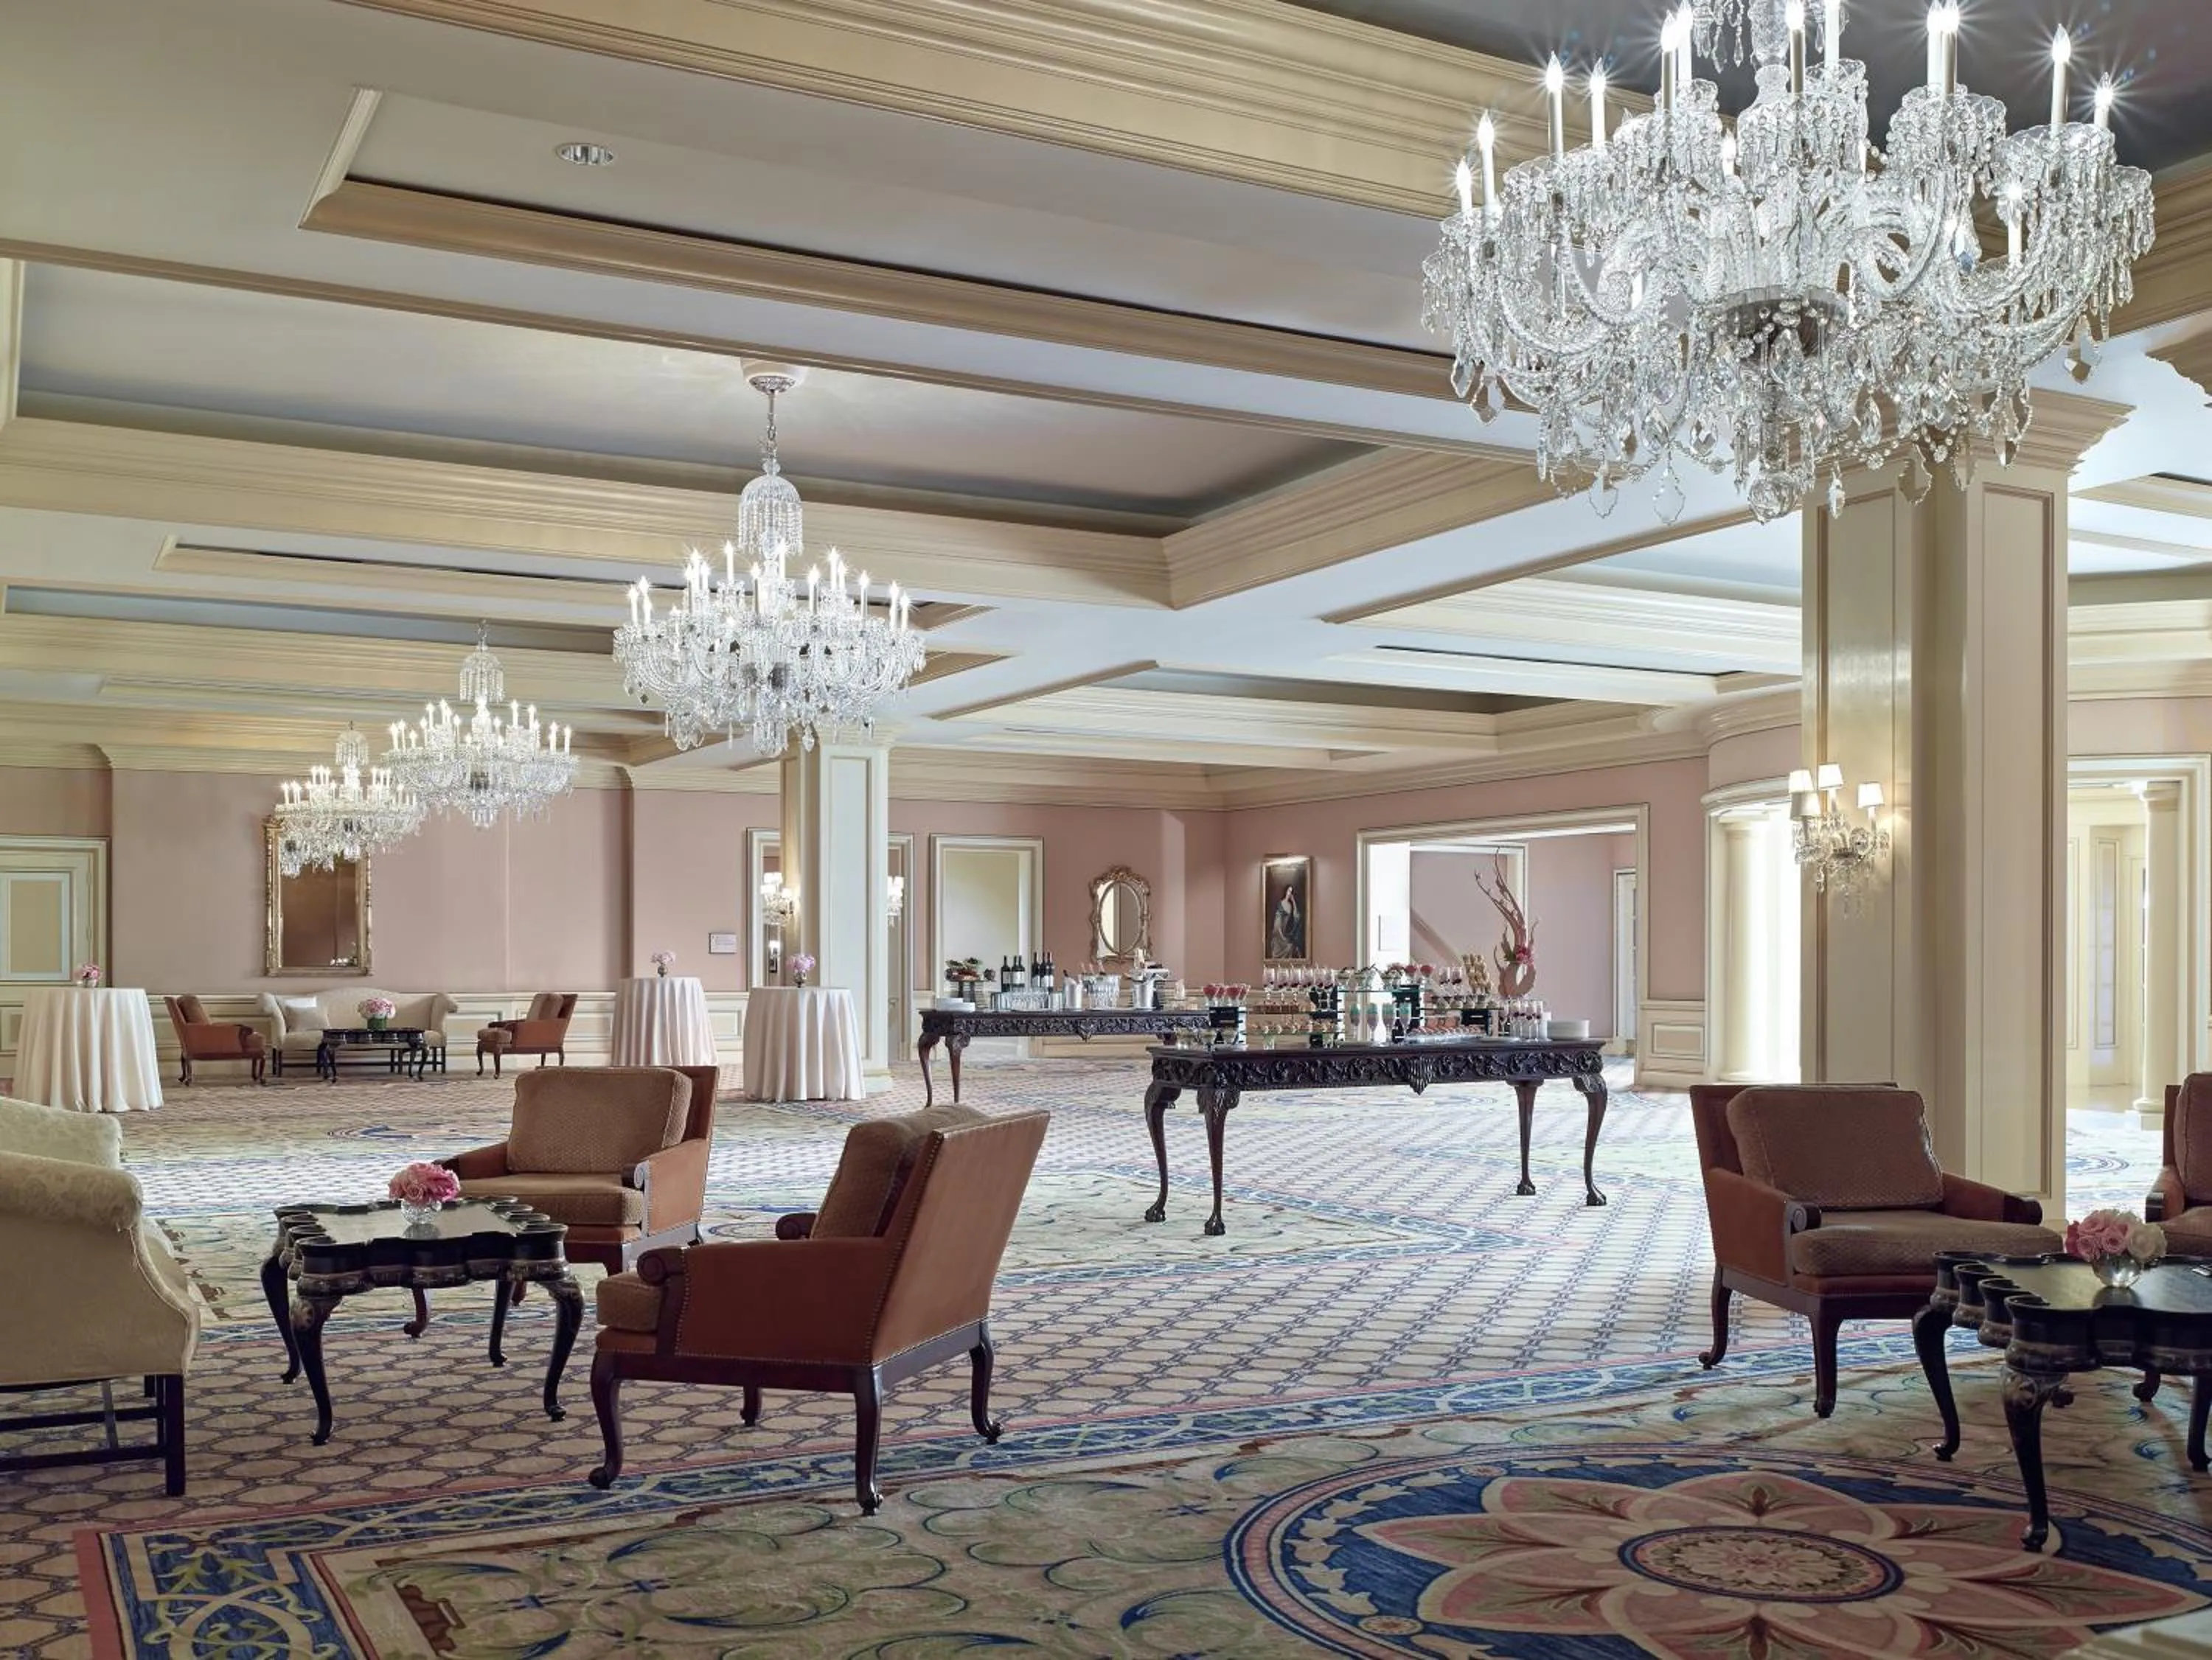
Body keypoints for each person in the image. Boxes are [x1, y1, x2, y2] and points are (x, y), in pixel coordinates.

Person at [1268, 879, 1304, 961]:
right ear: (1285, 891)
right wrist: (1282, 937)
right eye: (1288, 891)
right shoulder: (1281, 904)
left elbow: (1296, 916)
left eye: (1291, 892)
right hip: (1279, 935)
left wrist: (1293, 901)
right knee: (1287, 947)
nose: (1289, 894)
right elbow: (1277, 926)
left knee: (1291, 946)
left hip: (1285, 933)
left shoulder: (1290, 906)